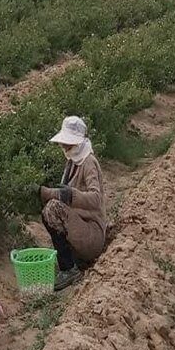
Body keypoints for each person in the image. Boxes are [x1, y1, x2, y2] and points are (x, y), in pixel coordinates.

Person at [38, 116, 106, 291]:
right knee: (48, 210)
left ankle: (69, 269)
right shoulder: (73, 162)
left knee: (53, 209)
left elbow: (95, 199)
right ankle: (71, 260)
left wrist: (68, 195)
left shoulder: (88, 162)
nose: (64, 147)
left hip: (92, 234)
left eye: (68, 144)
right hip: (82, 228)